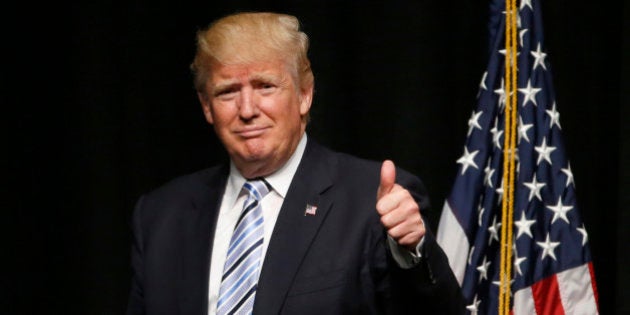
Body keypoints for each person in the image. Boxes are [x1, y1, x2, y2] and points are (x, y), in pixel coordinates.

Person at [126, 11, 464, 315]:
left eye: (265, 86)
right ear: (206, 106)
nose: (247, 110)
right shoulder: (160, 216)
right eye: (227, 92)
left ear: (305, 94)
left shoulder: (371, 202)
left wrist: (413, 252)